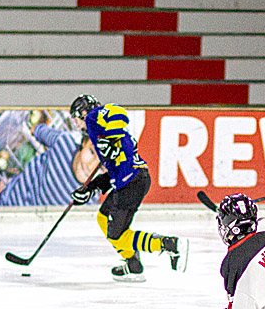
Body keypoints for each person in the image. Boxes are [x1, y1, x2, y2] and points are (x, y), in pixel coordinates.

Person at [68, 94, 188, 281]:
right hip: (130, 180)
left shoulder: (93, 120)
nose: (76, 123)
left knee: (116, 234)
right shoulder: (101, 133)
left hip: (131, 182)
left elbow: (119, 114)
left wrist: (112, 142)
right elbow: (115, 169)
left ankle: (168, 244)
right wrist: (91, 187)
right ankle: (133, 264)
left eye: (76, 118)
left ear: (83, 113)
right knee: (102, 217)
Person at [0, 114, 102, 207]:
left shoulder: (90, 199)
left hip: (28, 230)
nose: (91, 167)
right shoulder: (63, 141)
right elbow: (41, 131)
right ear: (84, 142)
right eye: (92, 153)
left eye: (101, 167)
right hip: (5, 202)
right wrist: (35, 129)